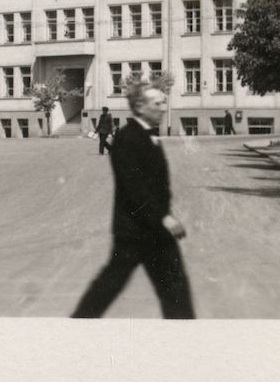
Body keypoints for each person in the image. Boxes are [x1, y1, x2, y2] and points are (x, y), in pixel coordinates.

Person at [71, 82, 195, 319]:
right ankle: (76, 327)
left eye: (163, 103)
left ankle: (184, 339)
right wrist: (163, 217)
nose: (162, 108)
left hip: (154, 232)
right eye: (157, 103)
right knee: (109, 285)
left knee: (174, 290)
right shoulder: (128, 138)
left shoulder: (148, 135)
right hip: (135, 231)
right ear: (140, 106)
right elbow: (133, 188)